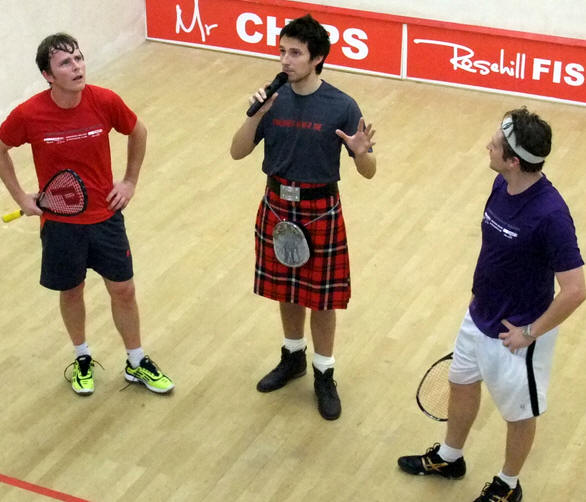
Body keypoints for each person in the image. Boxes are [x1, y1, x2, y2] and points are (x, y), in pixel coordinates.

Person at [398, 107, 585, 501]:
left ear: (513, 160)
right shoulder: (502, 184)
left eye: (496, 145)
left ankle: (508, 486)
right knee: (461, 382)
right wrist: (476, 293)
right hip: (479, 315)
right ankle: (450, 458)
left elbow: (576, 288)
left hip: (516, 335)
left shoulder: (551, 215)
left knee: (519, 414)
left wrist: (530, 333)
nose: (488, 146)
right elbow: (494, 249)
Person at [0, 33, 174, 395]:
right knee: (72, 292)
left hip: (106, 216)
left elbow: (138, 131)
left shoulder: (104, 101)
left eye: (78, 58)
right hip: (60, 223)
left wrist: (130, 181)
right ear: (48, 75)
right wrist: (21, 197)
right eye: (65, 63)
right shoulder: (28, 114)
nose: (77, 67)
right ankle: (82, 357)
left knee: (123, 290)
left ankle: (136, 361)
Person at [230, 14, 376, 420]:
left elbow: (369, 171)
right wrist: (256, 114)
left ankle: (324, 373)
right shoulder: (272, 100)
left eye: (295, 53)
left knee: (322, 299)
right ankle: (292, 356)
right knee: (287, 290)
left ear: (317, 58)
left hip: (319, 210)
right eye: (282, 51)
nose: (285, 60)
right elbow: (237, 151)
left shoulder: (342, 106)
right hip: (277, 204)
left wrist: (361, 153)